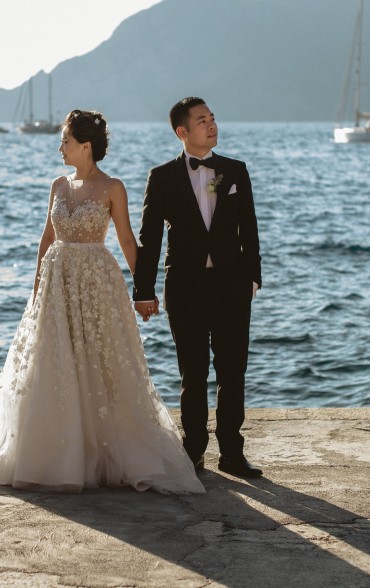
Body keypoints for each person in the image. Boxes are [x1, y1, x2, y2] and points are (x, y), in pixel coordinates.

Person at [0, 109, 205, 495]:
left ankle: (98, 444)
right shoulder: (58, 185)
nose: (61, 147)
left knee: (98, 357)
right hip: (57, 283)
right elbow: (46, 237)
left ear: (85, 146)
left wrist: (144, 291)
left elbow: (126, 240)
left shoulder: (113, 188)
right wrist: (38, 283)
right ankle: (53, 447)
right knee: (55, 358)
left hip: (96, 283)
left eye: (66, 141)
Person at [133, 97, 263, 478]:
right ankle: (192, 453)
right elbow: (150, 238)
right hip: (185, 288)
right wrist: (144, 290)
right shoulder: (162, 177)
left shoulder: (235, 171)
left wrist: (253, 276)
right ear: (182, 132)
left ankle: (233, 454)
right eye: (202, 120)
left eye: (213, 119)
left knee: (232, 371)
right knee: (193, 374)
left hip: (232, 287)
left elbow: (249, 227)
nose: (212, 125)